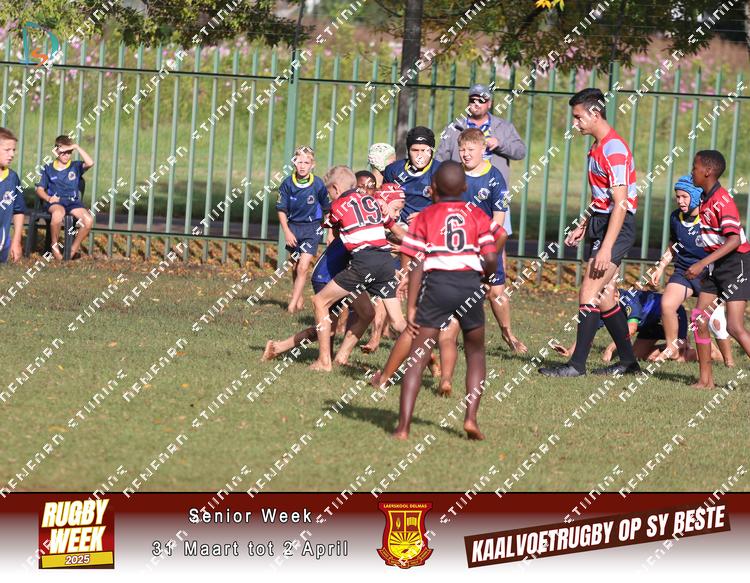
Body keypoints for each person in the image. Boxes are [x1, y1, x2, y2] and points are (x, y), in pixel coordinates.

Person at [394, 161, 501, 440]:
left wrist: (412, 306)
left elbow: (417, 263)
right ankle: (471, 418)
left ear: (433, 188)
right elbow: (491, 255)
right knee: (475, 352)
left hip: (437, 286)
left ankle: (403, 427)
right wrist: (487, 278)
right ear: (464, 187)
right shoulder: (476, 214)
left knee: (418, 356)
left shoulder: (425, 216)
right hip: (469, 286)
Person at [539, 88, 640, 377]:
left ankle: (576, 365)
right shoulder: (597, 147)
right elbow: (601, 197)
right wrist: (584, 223)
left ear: (595, 114)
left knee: (589, 292)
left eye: (578, 117)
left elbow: (621, 204)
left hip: (616, 227)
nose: (575, 124)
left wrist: (606, 247)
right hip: (602, 222)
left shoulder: (613, 149)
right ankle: (629, 363)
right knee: (605, 297)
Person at [436, 83, 528, 353]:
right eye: (462, 149)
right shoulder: (454, 174)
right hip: (458, 245)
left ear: (482, 149)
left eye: (471, 150)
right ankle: (448, 341)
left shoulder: (495, 177)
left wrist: (484, 245)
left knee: (496, 292)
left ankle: (508, 334)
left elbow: (498, 220)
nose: (465, 154)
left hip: (485, 242)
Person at [309, 166, 407, 372]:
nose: (329, 197)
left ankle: (324, 362)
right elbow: (398, 232)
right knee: (398, 322)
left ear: (336, 188)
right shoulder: (373, 202)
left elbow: (329, 225)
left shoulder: (338, 206)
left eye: (329, 192)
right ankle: (428, 355)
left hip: (363, 263)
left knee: (320, 301)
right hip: (386, 262)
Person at [649, 175, 734, 365]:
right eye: (678, 197)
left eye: (684, 197)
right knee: (667, 304)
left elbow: (727, 243)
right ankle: (672, 348)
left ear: (695, 196)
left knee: (715, 321)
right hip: (684, 272)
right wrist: (661, 267)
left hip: (708, 274)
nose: (680, 201)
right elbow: (673, 244)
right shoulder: (675, 217)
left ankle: (728, 361)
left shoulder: (709, 216)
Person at [687, 150, 750, 388]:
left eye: (695, 167)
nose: (692, 171)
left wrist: (702, 263)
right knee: (699, 319)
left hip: (736, 264)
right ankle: (706, 381)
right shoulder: (705, 198)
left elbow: (734, 240)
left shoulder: (723, 200)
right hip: (717, 265)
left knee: (734, 326)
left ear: (708, 171)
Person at [551, 289, 727, 363]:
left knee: (675, 357)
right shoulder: (606, 306)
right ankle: (675, 345)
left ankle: (710, 353)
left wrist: (610, 349)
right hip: (650, 326)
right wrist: (570, 351)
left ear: (615, 294)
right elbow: (589, 331)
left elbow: (631, 329)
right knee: (640, 357)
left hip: (671, 318)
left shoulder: (629, 301)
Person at [276, 146, 330, 314]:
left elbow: (327, 209)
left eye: (306, 162)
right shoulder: (287, 183)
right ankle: (298, 297)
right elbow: (281, 209)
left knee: (303, 267)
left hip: (312, 229)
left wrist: (330, 232)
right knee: (295, 266)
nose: (302, 166)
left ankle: (291, 305)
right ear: (294, 163)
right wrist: (287, 231)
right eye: (299, 162)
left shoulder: (318, 184)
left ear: (312, 165)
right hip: (293, 228)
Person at [35, 135, 94, 259]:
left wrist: (76, 146)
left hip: (72, 202)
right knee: (58, 214)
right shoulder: (48, 168)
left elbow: (90, 163)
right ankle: (54, 246)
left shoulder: (75, 166)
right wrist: (48, 198)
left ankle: (72, 250)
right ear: (56, 151)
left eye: (69, 152)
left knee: (88, 220)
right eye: (63, 152)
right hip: (56, 202)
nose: (66, 155)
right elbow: (39, 190)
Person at [383, 126, 441, 224]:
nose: (419, 156)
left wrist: (426, 216)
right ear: (408, 151)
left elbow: (451, 208)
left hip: (432, 227)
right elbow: (384, 201)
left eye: (424, 150)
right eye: (415, 150)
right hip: (398, 227)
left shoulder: (442, 172)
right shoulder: (393, 171)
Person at [0, 127, 25, 264]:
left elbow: (18, 211)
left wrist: (16, 241)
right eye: (7, 150)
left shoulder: (12, 178)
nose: (12, 154)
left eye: (13, 150)